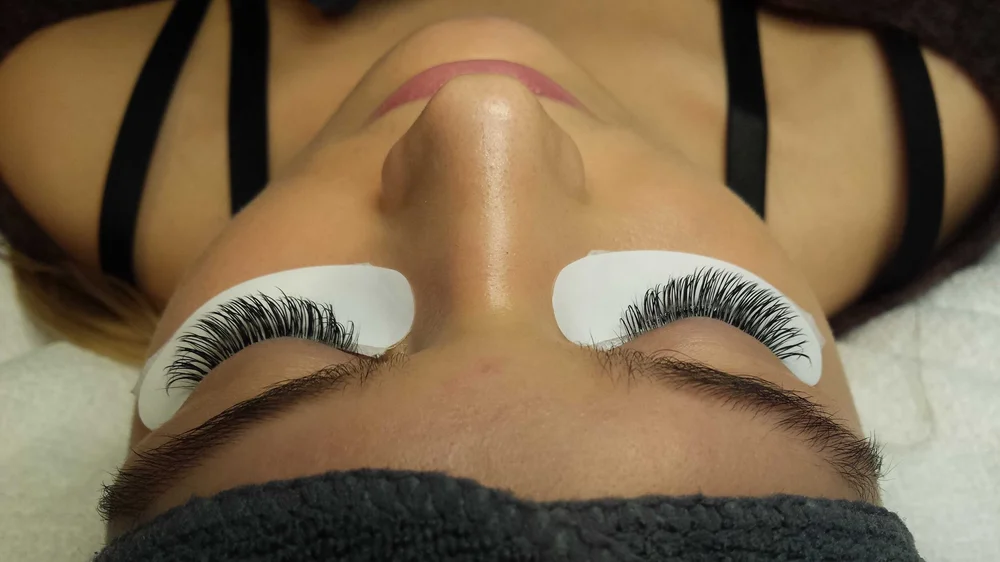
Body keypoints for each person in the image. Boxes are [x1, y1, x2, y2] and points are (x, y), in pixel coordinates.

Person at [0, 0, 997, 558]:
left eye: (276, 336)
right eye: (704, 315)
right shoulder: (921, 111)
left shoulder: (62, 112)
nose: (485, 121)